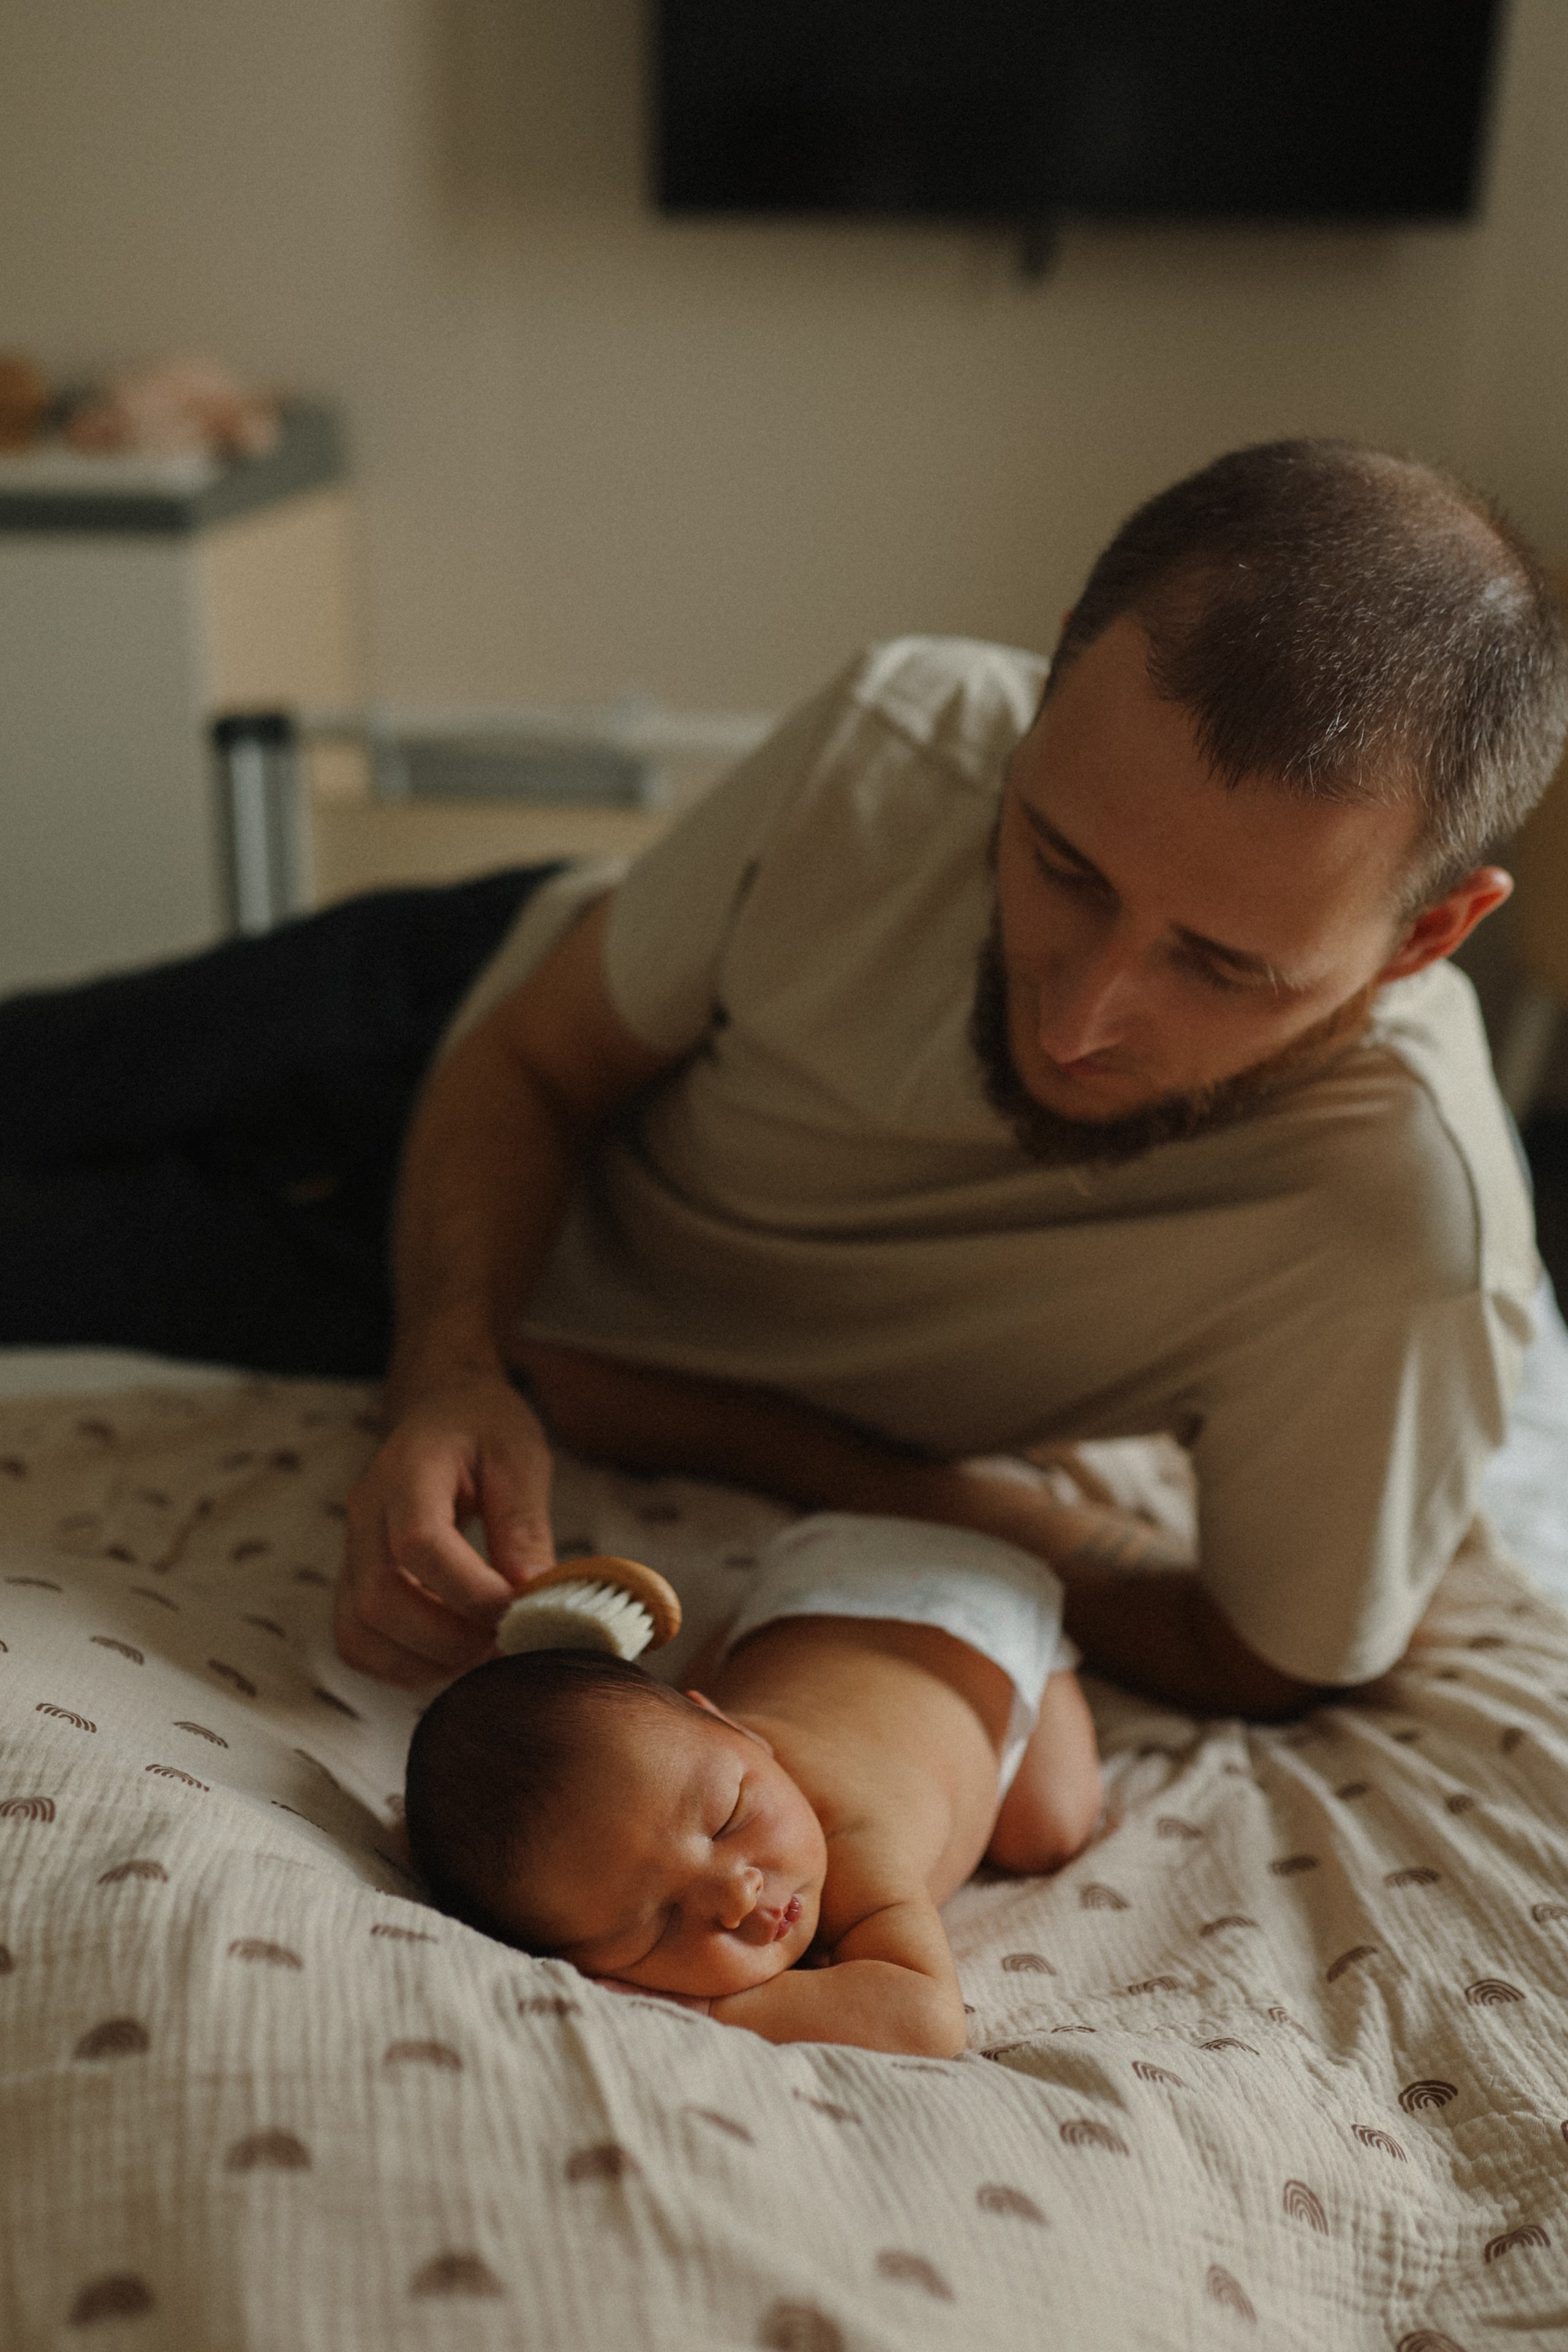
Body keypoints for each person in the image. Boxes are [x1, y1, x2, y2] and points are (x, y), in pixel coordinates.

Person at [334, 439, 1568, 1720]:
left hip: (445, 1308)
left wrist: (756, 1441)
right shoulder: (895, 738)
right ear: (1048, 691)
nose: (1079, 1019)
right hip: (453, 1041)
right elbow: (537, 1059)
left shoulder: (1407, 1239)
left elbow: (1266, 1656)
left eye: (1219, 966)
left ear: (1425, 939)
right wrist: (449, 1368)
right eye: (1060, 865)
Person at [402, 1512, 1102, 2052]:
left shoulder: (852, 1831)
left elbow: (924, 2020)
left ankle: (1049, 1656)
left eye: (729, 1817)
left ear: (737, 1731)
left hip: (982, 1615)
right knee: (659, 1727)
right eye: (660, 1924)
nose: (737, 1895)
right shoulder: (701, 1763)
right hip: (818, 1580)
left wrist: (710, 2007)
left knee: (1045, 1830)